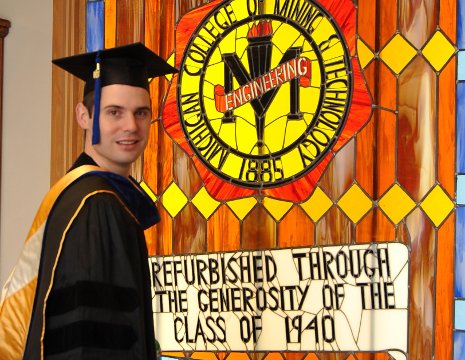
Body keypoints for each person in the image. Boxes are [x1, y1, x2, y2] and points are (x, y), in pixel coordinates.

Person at [0, 43, 177, 359]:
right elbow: (95, 339)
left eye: (141, 112)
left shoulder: (77, 193)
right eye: (114, 112)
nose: (131, 126)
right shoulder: (98, 205)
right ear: (83, 116)